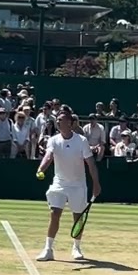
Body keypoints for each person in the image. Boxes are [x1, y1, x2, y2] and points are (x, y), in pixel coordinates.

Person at [34, 110, 102, 262]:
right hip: (59, 183)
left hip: (78, 185)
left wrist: (96, 184)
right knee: (54, 213)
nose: (58, 122)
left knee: (78, 217)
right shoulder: (53, 140)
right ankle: (48, 249)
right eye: (57, 120)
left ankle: (76, 248)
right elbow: (48, 156)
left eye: (61, 120)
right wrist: (41, 169)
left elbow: (91, 164)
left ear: (70, 123)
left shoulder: (81, 141)